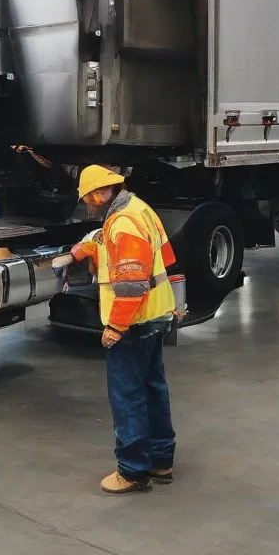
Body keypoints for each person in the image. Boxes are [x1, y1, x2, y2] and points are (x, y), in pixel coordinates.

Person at [69, 165, 178, 494]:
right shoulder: (138, 208)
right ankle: (161, 461)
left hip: (133, 321)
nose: (88, 202)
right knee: (153, 388)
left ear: (102, 192)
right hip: (156, 314)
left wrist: (115, 327)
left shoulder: (123, 222)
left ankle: (132, 470)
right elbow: (162, 256)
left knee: (127, 395)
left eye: (89, 196)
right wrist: (87, 249)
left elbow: (131, 283)